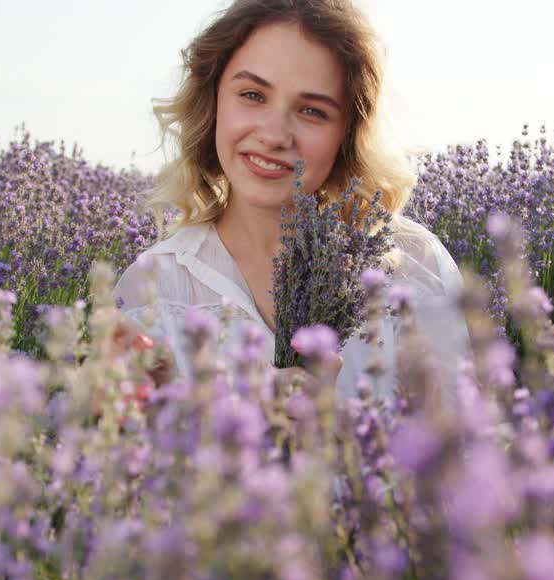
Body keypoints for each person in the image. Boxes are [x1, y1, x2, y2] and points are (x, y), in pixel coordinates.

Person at [110, 0, 471, 402]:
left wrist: (339, 438)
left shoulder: (413, 267)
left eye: (312, 111)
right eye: (252, 94)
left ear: (348, 134)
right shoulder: (156, 285)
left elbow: (464, 455)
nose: (274, 133)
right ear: (214, 101)